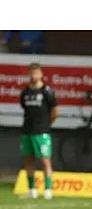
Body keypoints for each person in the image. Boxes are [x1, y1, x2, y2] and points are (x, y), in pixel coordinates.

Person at [19, 63, 58, 200]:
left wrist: (47, 125)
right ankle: (32, 190)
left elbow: (54, 111)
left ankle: (48, 189)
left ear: (41, 74)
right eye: (31, 72)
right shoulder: (25, 92)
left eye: (36, 72)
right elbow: (25, 108)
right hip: (27, 131)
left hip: (42, 131)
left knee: (45, 160)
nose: (33, 75)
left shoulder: (47, 91)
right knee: (28, 160)